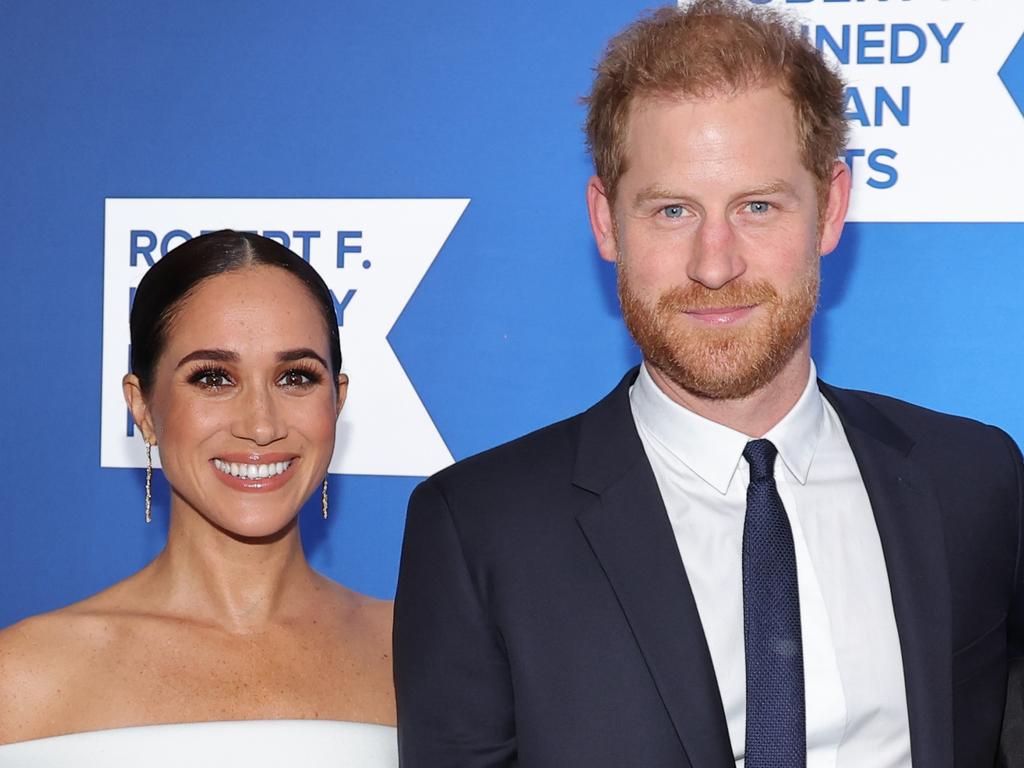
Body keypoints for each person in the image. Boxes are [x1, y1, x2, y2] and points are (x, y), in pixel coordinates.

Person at [393, 2, 1023, 767]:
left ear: (831, 209)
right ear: (604, 220)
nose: (715, 263)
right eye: (671, 210)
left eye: (757, 206)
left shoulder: (974, 479)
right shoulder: (478, 530)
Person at [0, 231, 397, 764]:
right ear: (141, 407)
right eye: (213, 378)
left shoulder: (425, 653)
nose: (261, 425)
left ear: (336, 401)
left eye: (295, 377)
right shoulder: (22, 677)